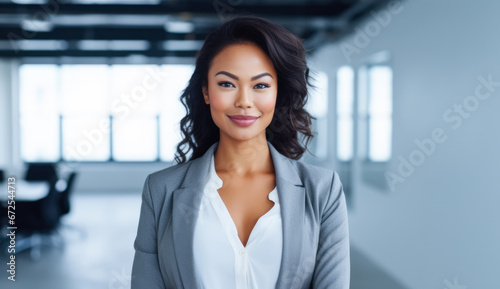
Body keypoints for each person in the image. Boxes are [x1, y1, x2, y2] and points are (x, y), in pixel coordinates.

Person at [131, 15, 350, 289]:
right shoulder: (160, 189)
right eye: (226, 84)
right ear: (206, 92)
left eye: (260, 85)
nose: (244, 101)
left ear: (278, 93)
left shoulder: (323, 190)